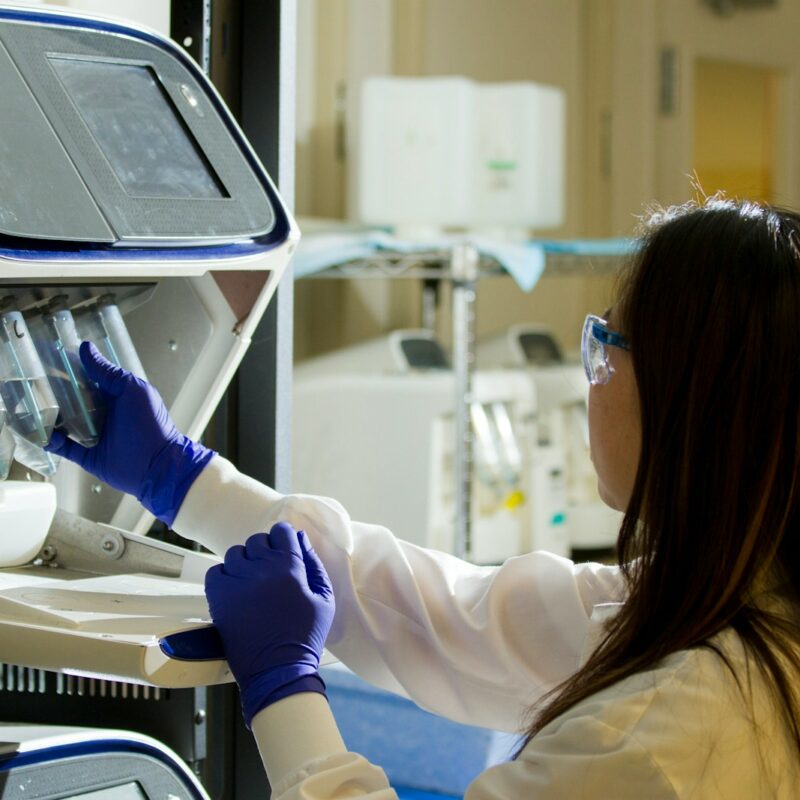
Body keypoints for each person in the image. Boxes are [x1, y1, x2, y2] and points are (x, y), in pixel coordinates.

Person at [47, 196, 800, 798]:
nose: (591, 381)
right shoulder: (728, 607)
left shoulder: (666, 737)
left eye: (605, 349)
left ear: (694, 403)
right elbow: (445, 615)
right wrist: (185, 480)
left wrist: (285, 693)